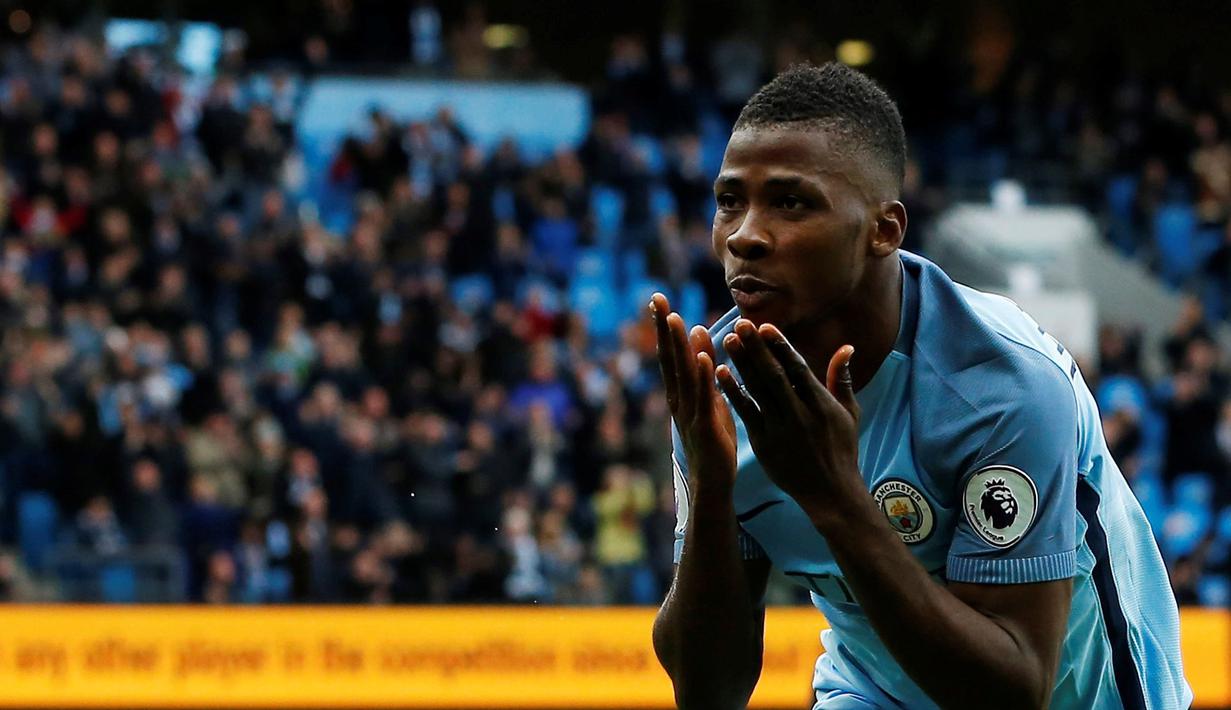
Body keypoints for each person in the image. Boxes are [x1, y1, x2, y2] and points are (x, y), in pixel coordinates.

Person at [649, 63, 1189, 710]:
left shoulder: (1001, 386)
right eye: (729, 200)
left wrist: (837, 497)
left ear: (884, 230)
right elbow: (709, 693)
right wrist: (712, 492)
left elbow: (1012, 691)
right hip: (873, 692)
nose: (744, 236)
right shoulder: (721, 389)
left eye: (790, 202)